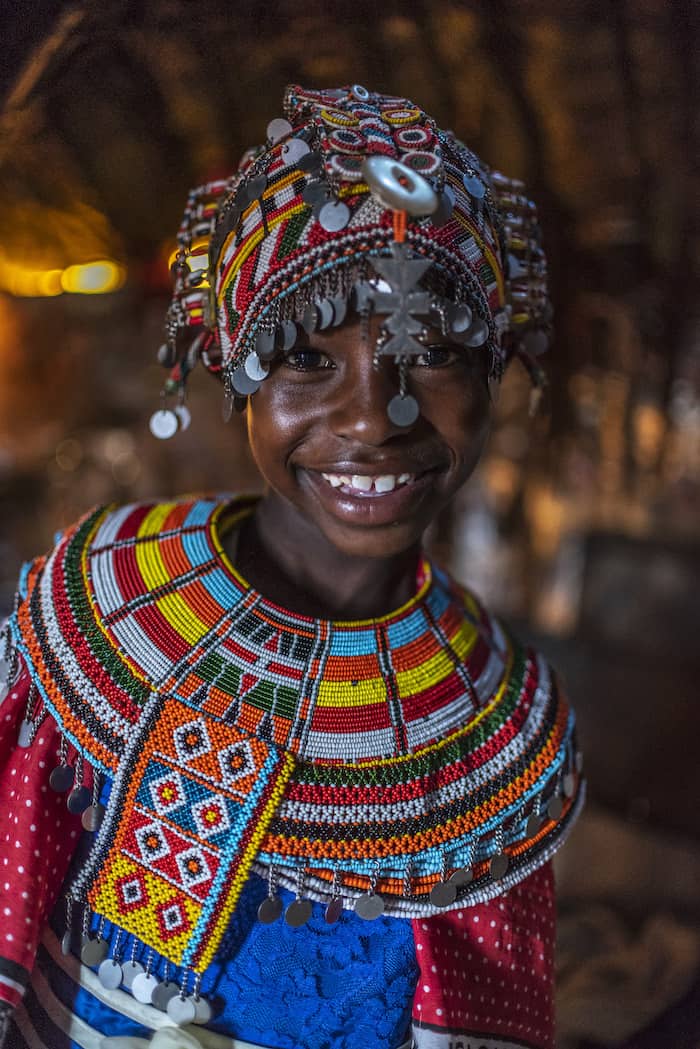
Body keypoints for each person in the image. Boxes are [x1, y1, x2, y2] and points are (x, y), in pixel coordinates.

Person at [0, 84, 583, 1049]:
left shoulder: (496, 740)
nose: (374, 420)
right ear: (234, 373)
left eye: (433, 351)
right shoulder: (86, 613)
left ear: (494, 377)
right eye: (306, 359)